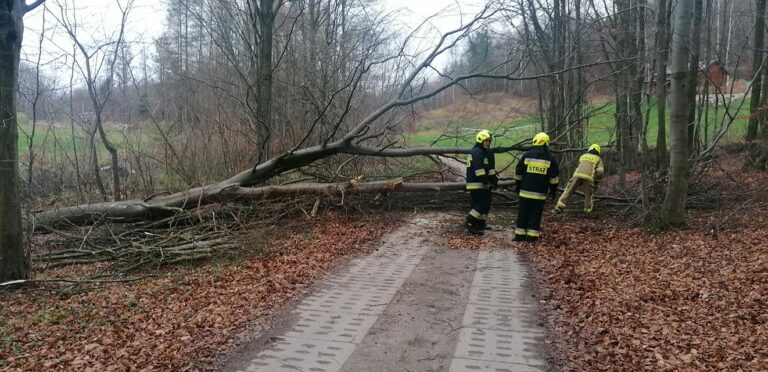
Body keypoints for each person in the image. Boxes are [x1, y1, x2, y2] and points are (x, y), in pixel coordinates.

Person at [513, 132, 559, 242]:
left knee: (523, 213)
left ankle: (519, 236)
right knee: (535, 214)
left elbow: (518, 172)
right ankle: (532, 237)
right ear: (546, 143)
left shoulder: (527, 155)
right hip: (540, 194)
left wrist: (518, 185)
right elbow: (554, 177)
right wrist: (553, 190)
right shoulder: (550, 158)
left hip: (525, 192)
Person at [553, 144, 604, 214]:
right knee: (588, 195)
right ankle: (587, 211)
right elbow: (600, 171)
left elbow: (580, 166)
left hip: (577, 175)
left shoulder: (583, 156)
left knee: (568, 190)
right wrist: (596, 179)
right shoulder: (598, 158)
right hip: (589, 177)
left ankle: (559, 207)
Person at [465, 130, 498, 235]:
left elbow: (490, 169)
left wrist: (494, 180)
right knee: (483, 203)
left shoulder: (485, 152)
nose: (488, 143)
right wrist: (486, 182)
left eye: (489, 141)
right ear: (480, 141)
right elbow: (479, 170)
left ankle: (480, 225)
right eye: (486, 141)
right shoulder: (477, 152)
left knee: (483, 204)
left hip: (482, 182)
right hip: (476, 182)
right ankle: (470, 221)